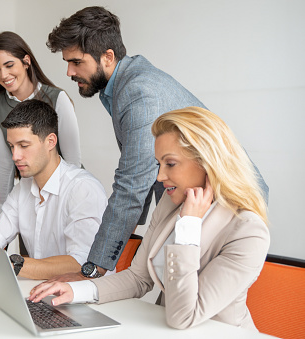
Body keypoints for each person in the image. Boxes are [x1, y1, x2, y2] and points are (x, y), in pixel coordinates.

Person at [45, 6, 269, 278]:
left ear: (107, 57)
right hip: (197, 205)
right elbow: (146, 172)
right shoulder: (124, 83)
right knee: (168, 295)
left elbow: (132, 184)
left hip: (226, 209)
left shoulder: (139, 93)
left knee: (183, 305)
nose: (69, 72)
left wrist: (93, 268)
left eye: (76, 62)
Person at [29, 106, 270, 331]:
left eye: (170, 163)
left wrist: (188, 227)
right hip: (165, 331)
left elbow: (184, 316)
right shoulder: (171, 202)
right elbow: (138, 278)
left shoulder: (248, 231)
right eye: (158, 164)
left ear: (207, 162)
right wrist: (76, 291)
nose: (160, 176)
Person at [0, 100, 107, 282]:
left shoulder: (83, 189)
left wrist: (10, 264)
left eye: (23, 145)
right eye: (12, 146)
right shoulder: (24, 187)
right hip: (42, 293)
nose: (15, 156)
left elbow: (80, 264)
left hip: (85, 298)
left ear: (50, 141)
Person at [0, 31, 81, 219]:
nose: (3, 75)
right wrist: (4, 206)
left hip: (65, 193)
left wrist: (65, 201)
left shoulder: (57, 98)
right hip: (29, 194)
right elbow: (5, 161)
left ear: (26, 61)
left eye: (9, 65)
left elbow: (73, 161)